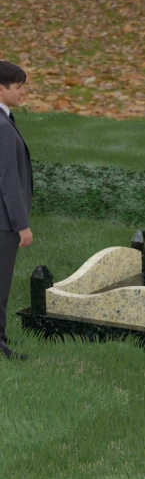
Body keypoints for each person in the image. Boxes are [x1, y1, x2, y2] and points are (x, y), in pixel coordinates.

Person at [0, 61, 33, 360]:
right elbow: (8, 180)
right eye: (18, 87)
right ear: (1, 89)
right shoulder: (2, 127)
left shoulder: (4, 120)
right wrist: (21, 224)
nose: (22, 92)